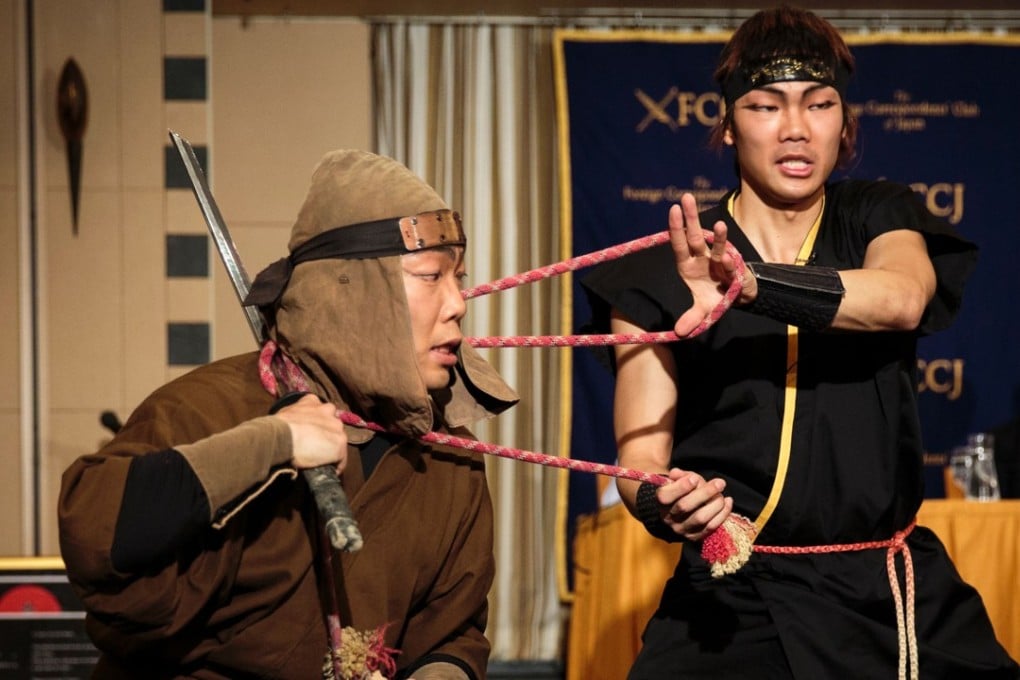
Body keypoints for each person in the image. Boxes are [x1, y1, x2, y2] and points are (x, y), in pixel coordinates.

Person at [582, 6, 1019, 679]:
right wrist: (664, 501)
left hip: (882, 591)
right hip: (731, 591)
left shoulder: (877, 214)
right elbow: (640, 457)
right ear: (729, 124)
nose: (795, 128)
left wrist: (752, 286)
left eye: (819, 104)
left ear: (845, 123)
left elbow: (902, 298)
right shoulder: (657, 271)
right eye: (766, 106)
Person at [58, 150, 518, 679]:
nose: (458, 303)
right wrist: (272, 443)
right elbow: (95, 534)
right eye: (432, 276)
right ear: (353, 293)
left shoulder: (448, 454)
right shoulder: (206, 408)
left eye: (459, 278)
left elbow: (452, 632)